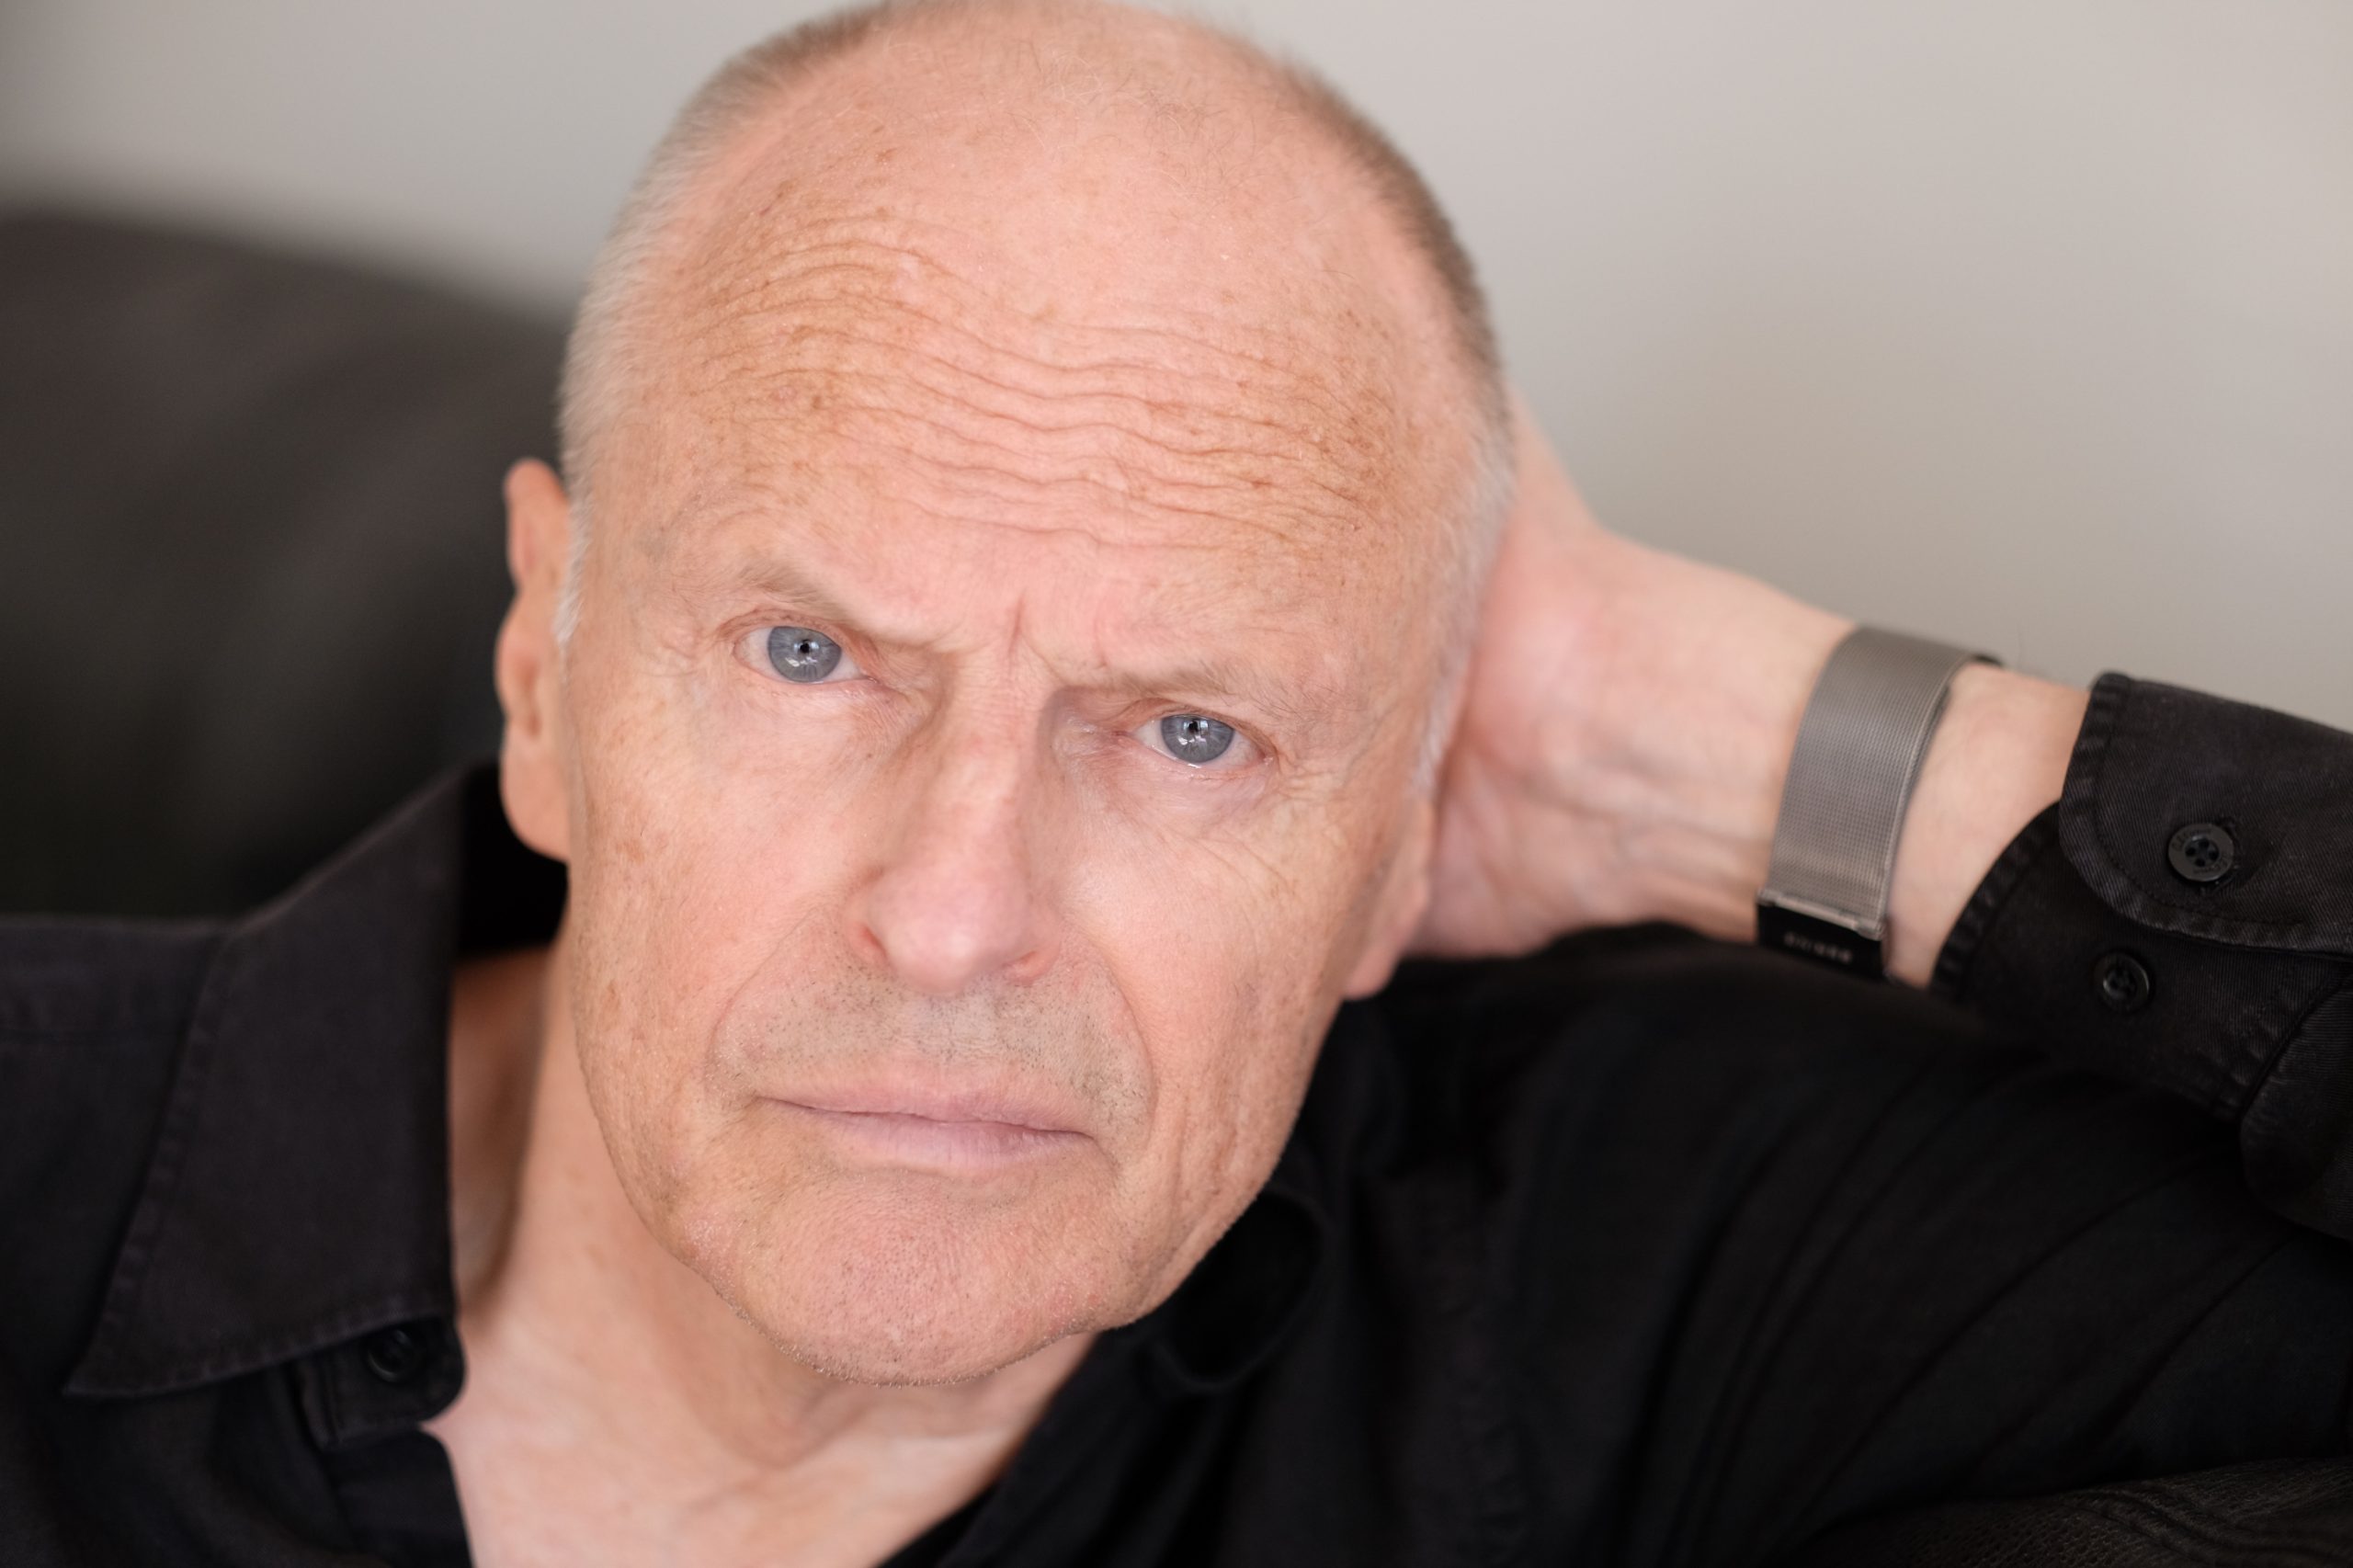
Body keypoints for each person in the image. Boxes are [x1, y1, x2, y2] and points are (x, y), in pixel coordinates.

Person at [4, 2, 2348, 1564]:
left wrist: (1732, 746)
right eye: (810, 655)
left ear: (1402, 825)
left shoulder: (1631, 1278)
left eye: (1192, 730)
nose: (952, 915)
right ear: (547, 664)